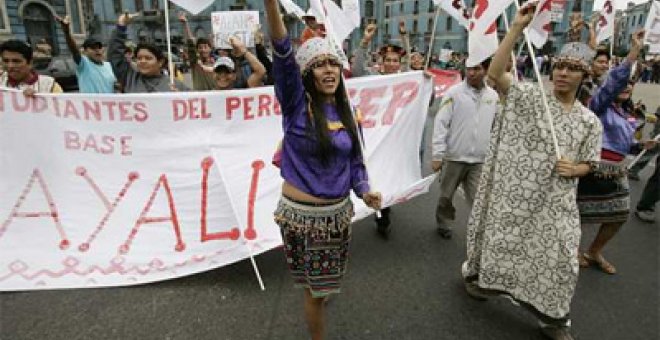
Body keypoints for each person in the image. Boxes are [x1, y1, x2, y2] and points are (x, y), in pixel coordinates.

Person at [463, 4, 603, 340]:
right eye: (559, 67)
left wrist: (577, 167)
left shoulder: (589, 121)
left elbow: (591, 163)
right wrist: (515, 28)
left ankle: (554, 320)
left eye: (572, 69)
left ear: (584, 76)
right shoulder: (530, 96)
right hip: (514, 198)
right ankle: (479, 281)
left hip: (555, 203)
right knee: (500, 241)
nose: (562, 73)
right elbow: (495, 75)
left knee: (561, 261)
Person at [264, 1, 381, 339]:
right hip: (300, 217)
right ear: (306, 74)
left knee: (321, 285)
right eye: (319, 65)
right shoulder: (296, 106)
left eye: (333, 63)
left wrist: (365, 191)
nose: (329, 70)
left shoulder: (350, 114)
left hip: (336, 217)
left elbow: (356, 164)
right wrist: (272, 5)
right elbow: (283, 51)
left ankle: (319, 292)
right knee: (315, 292)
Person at [577, 30, 657, 275]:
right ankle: (568, 249)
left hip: (618, 169)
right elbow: (612, 83)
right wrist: (633, 54)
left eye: (630, 86)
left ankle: (594, 251)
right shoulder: (599, 104)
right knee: (577, 213)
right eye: (624, 84)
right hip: (595, 167)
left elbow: (623, 142)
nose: (626, 88)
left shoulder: (626, 113)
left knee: (619, 215)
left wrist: (640, 147)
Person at [431, 57, 498, 239]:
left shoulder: (493, 97)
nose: (471, 73)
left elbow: (496, 126)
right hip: (454, 157)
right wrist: (437, 154)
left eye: (476, 69)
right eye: (468, 69)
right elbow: (441, 123)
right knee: (446, 197)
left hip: (479, 160)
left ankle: (479, 232)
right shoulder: (454, 93)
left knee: (479, 200)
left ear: (485, 69)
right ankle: (444, 223)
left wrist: (493, 154)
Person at [109, 13, 187, 93]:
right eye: (139, 58)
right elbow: (115, 55)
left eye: (148, 58)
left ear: (160, 62)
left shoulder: (175, 85)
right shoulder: (129, 78)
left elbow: (195, 101)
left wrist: (180, 98)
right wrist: (121, 26)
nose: (143, 61)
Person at [55, 15, 116, 93]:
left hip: (107, 104)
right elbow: (74, 50)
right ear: (85, 51)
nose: (97, 50)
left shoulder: (109, 66)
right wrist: (67, 31)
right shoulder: (84, 64)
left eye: (99, 47)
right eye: (93, 48)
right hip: (89, 104)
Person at [179, 13, 216, 91]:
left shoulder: (217, 62)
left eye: (205, 47)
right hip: (200, 97)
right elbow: (190, 43)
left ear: (210, 48)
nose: (203, 50)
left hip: (214, 96)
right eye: (200, 48)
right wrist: (185, 24)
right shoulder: (195, 62)